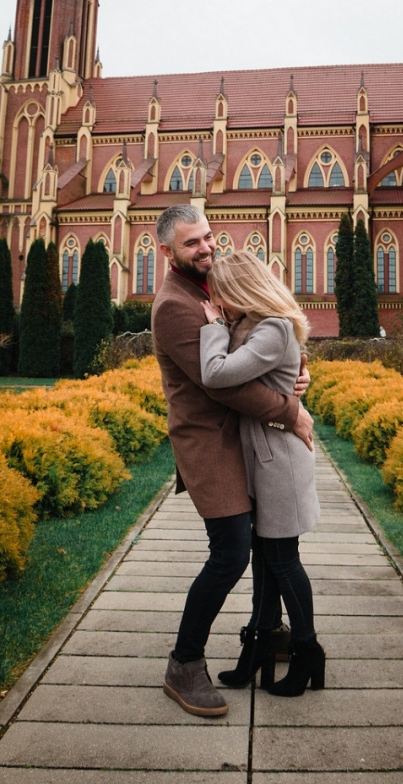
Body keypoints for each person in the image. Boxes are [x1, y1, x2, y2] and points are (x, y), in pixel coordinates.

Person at [150, 205, 314, 718]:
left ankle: (268, 636)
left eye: (208, 237)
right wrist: (292, 412)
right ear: (166, 253)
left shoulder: (207, 284)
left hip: (244, 438)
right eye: (192, 244)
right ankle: (184, 663)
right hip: (210, 442)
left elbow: (258, 341)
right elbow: (221, 385)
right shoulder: (175, 305)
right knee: (231, 553)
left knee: (268, 546)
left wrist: (295, 375)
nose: (206, 248)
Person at [200, 251, 325, 697]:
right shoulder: (251, 325)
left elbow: (216, 375)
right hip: (262, 460)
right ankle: (256, 647)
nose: (217, 304)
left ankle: (308, 651)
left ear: (240, 290)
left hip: (281, 462)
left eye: (221, 295)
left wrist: (213, 327)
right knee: (265, 560)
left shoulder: (271, 328)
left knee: (283, 561)